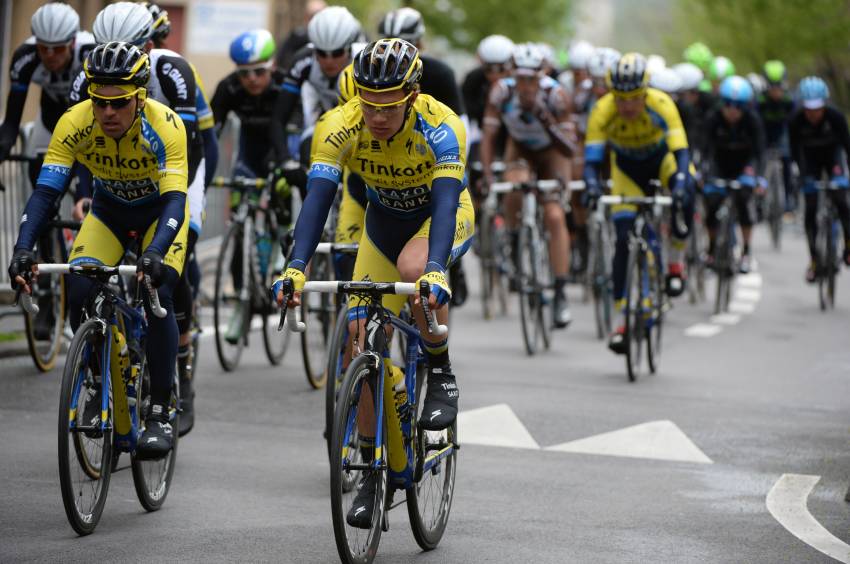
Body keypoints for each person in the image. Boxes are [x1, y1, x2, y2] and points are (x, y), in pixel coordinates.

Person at [273, 38, 471, 527]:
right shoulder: (338, 125)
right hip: (381, 226)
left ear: (412, 94)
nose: (377, 116)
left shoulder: (443, 124)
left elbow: (446, 203)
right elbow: (318, 199)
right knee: (362, 345)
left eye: (389, 105)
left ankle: (441, 369)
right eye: (369, 103)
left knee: (414, 270)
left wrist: (437, 268)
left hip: (438, 220)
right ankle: (370, 473)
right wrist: (296, 266)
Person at [9, 42, 188, 459]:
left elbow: (176, 202)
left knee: (156, 291)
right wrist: (23, 247)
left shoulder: (166, 126)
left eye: (119, 102)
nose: (108, 112)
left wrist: (157, 252)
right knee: (81, 287)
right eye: (99, 101)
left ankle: (161, 409)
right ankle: (97, 380)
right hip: (108, 213)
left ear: (140, 98)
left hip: (158, 216)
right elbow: (46, 194)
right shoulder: (75, 121)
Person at [69, 1, 211, 436]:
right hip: (120, 177)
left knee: (168, 274)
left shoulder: (173, 73)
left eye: (127, 48)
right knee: (85, 277)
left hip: (179, 169)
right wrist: (82, 193)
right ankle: (106, 367)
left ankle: (178, 376)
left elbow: (194, 146)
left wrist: (182, 215)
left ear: (147, 46)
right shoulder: (90, 77)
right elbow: (83, 141)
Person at [582, 53, 695, 354]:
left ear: (645, 92)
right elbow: (592, 161)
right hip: (627, 172)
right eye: (620, 98)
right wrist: (592, 186)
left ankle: (675, 261)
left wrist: (681, 184)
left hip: (662, 162)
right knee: (622, 239)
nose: (627, 105)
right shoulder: (602, 111)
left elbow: (681, 152)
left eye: (633, 98)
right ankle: (623, 319)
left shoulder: (661, 104)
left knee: (688, 189)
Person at [0, 3, 95, 339]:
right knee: (42, 193)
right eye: (44, 49)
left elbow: (88, 137)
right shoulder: (26, 56)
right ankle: (47, 296)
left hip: (88, 123)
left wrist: (86, 191)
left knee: (88, 194)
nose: (51, 56)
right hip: (50, 125)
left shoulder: (90, 50)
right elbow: (11, 124)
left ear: (72, 42)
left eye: (58, 49)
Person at [480, 43, 577, 328]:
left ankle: (560, 293)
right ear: (512, 75)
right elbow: (488, 137)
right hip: (520, 148)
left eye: (531, 79)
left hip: (552, 152)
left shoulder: (556, 96)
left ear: (542, 75)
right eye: (520, 78)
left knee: (555, 215)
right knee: (514, 187)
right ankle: (512, 240)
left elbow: (570, 149)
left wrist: (543, 117)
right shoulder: (501, 92)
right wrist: (487, 175)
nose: (525, 85)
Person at [378, 7, 470, 306]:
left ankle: (450, 268)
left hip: (438, 155)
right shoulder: (376, 78)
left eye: (407, 41)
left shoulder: (440, 74)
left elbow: (461, 125)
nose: (399, 47)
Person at [270, 5, 362, 183]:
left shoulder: (365, 59)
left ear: (350, 47)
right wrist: (285, 160)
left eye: (337, 53)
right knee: (306, 162)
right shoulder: (303, 60)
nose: (329, 61)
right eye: (321, 53)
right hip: (322, 123)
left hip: (362, 128)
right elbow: (278, 118)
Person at [702, 76, 766, 274]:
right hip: (719, 164)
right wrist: (701, 172)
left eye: (738, 106)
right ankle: (712, 248)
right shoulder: (713, 118)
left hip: (743, 165)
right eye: (728, 104)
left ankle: (746, 251)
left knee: (744, 202)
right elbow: (704, 149)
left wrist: (760, 178)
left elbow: (759, 152)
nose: (732, 110)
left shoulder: (752, 120)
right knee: (711, 205)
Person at [788, 76, 850, 282]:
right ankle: (814, 259)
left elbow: (847, 147)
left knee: (841, 200)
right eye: (808, 108)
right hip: (810, 162)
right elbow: (794, 151)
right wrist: (799, 175)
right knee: (811, 207)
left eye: (817, 108)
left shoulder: (836, 118)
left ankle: (848, 247)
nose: (813, 113)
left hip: (833, 159)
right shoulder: (796, 120)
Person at [757, 60, 796, 211]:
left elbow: (795, 122)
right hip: (764, 133)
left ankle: (788, 198)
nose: (775, 90)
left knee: (786, 160)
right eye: (772, 86)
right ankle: (760, 199)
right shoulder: (759, 101)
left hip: (782, 133)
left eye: (778, 86)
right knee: (762, 160)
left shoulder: (789, 100)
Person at [274, 0, 327, 71]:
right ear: (306, 17)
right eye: (312, 16)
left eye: (320, 16)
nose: (316, 21)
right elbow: (282, 61)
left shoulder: (332, 40)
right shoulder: (296, 38)